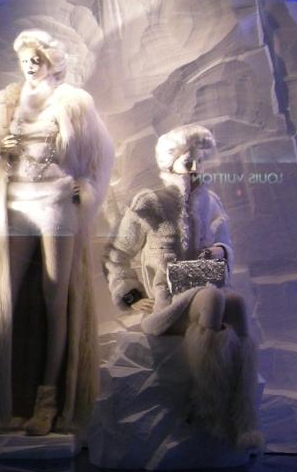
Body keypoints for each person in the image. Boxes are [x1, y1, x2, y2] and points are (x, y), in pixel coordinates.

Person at [0, 28, 113, 436]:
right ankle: (1, 400)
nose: (31, 64)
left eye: (37, 58)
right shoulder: (8, 100)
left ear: (50, 61)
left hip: (56, 204)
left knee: (55, 299)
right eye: (25, 59)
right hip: (16, 202)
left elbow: (100, 154)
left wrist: (88, 188)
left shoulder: (74, 102)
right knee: (6, 298)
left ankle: (48, 402)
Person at [104, 124, 262, 449]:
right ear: (171, 162)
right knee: (213, 298)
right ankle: (207, 405)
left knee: (236, 303)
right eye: (188, 161)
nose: (194, 168)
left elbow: (226, 247)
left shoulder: (211, 203)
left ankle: (243, 413)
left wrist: (220, 252)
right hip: (169, 304)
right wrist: (132, 296)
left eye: (199, 161)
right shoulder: (151, 202)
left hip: (204, 287)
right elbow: (117, 255)